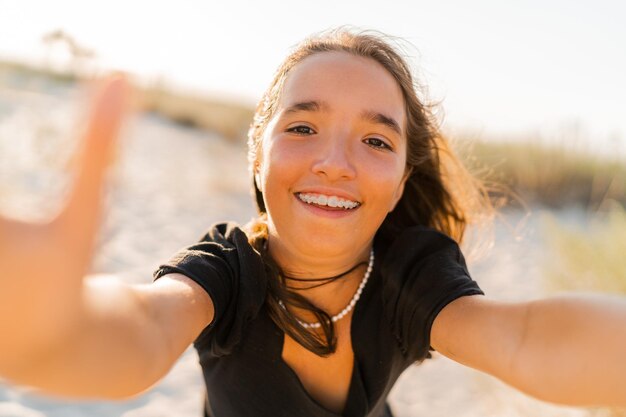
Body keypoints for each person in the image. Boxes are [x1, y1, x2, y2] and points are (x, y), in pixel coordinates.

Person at [0, 29, 625, 417]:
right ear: (258, 154)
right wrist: (43, 332)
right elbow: (142, 331)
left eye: (377, 142)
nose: (334, 164)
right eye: (302, 128)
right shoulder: (226, 271)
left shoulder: (413, 272)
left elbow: (524, 338)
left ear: (402, 180)